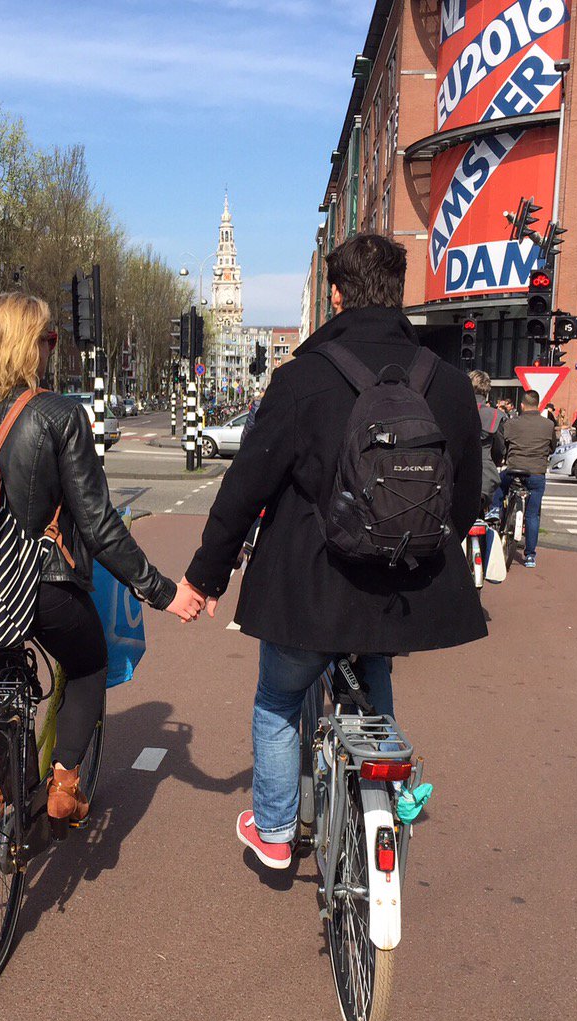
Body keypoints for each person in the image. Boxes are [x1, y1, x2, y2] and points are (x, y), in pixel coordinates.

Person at [179, 233, 486, 869]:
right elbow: (465, 501)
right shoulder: (449, 386)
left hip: (310, 590)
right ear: (396, 294)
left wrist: (206, 577)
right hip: (404, 587)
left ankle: (273, 831)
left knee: (279, 698)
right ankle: (391, 786)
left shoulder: (301, 380)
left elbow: (245, 489)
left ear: (337, 296)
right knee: (375, 669)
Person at [0, 293, 203, 829]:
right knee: (88, 663)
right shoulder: (58, 415)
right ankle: (65, 785)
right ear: (33, 347)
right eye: (49, 340)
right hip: (41, 585)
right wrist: (163, 591)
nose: (53, 349)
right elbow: (98, 525)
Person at [486, 389, 557, 569]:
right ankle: (530, 556)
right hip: (536, 474)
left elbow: (504, 445)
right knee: (533, 514)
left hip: (514, 470)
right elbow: (553, 447)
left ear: (522, 405)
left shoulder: (511, 423)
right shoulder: (548, 425)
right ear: (538, 405)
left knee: (499, 485)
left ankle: (495, 510)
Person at [469, 369, 506, 511]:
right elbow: (499, 449)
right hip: (484, 475)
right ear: (487, 391)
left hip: (455, 476)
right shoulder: (496, 416)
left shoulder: (455, 411)